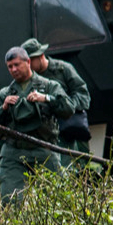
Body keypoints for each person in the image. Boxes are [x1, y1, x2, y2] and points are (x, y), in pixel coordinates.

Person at [0, 47, 75, 203]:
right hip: (14, 151)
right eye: (9, 67)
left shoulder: (49, 86)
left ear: (28, 62)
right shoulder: (5, 93)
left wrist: (46, 98)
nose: (13, 69)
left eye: (16, 64)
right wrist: (4, 108)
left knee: (59, 198)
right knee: (10, 200)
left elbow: (69, 108)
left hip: (44, 148)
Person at [22, 38, 92, 168]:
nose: (27, 65)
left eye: (30, 61)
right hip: (47, 133)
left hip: (70, 127)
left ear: (41, 56)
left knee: (84, 168)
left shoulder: (63, 69)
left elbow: (83, 96)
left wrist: (64, 106)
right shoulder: (29, 80)